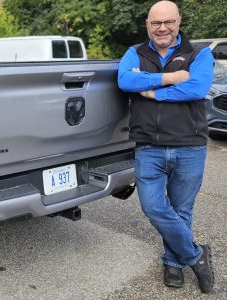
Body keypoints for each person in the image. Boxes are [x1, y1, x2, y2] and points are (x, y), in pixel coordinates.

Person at [117, 0, 215, 294]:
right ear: (147, 24)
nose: (162, 28)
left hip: (189, 145)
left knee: (182, 208)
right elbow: (125, 79)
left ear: (179, 22)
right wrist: (170, 78)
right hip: (149, 146)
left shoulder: (198, 53)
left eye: (168, 22)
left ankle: (173, 262)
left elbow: (197, 88)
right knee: (154, 207)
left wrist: (153, 93)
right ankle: (197, 258)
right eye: (155, 23)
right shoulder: (134, 52)